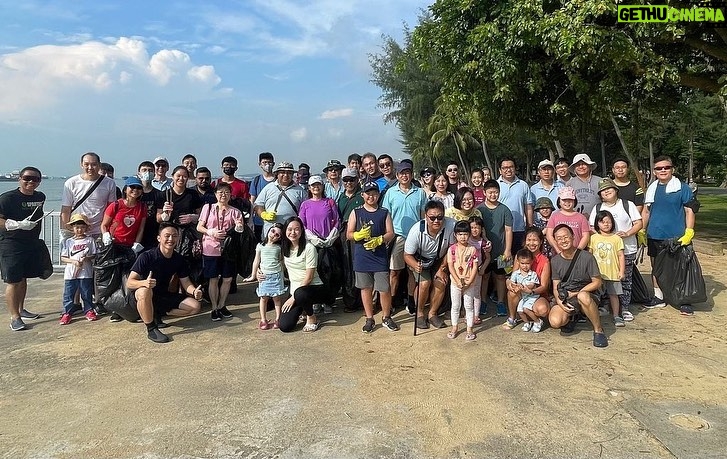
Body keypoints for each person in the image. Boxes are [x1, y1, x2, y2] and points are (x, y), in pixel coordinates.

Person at [126, 223, 204, 343]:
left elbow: (186, 282)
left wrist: (194, 291)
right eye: (167, 236)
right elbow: (130, 282)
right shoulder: (146, 256)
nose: (170, 239)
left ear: (178, 238)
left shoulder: (179, 259)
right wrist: (144, 283)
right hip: (140, 296)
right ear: (159, 238)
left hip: (162, 295)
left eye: (174, 236)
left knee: (195, 307)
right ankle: (151, 328)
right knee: (144, 291)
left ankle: (158, 313)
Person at [641, 155, 698, 315]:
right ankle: (659, 297)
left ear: (672, 169)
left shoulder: (682, 188)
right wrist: (641, 230)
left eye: (666, 167)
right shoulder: (651, 189)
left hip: (677, 236)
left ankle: (683, 299)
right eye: (659, 168)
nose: (663, 170)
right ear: (654, 171)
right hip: (654, 235)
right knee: (656, 268)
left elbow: (689, 210)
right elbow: (646, 211)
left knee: (680, 268)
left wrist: (689, 231)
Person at [0, 166, 53, 330]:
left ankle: (21, 310)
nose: (31, 182)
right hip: (11, 243)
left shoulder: (40, 196)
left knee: (23, 278)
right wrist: (14, 224)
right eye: (27, 178)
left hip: (31, 242)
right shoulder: (7, 198)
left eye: (35, 179)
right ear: (19, 178)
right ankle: (14, 317)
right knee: (13, 280)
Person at [588, 178, 642, 321]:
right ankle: (605, 305)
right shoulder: (598, 208)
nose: (606, 191)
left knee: (624, 279)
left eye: (609, 188)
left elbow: (638, 223)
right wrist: (605, 237)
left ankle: (624, 308)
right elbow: (592, 227)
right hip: (603, 252)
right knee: (604, 278)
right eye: (603, 190)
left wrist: (627, 233)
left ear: (616, 190)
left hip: (627, 248)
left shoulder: (627, 205)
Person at [347, 181, 399, 333]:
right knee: (366, 288)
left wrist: (380, 239)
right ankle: (369, 318)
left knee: (384, 288)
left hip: (379, 254)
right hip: (362, 256)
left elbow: (391, 232)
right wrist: (357, 235)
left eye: (374, 193)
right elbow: (348, 234)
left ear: (378, 195)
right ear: (362, 195)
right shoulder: (356, 212)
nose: (371, 196)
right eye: (368, 193)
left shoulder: (384, 212)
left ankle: (386, 317)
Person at [548, 224, 608, 348]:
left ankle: (598, 330)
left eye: (566, 237)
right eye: (559, 238)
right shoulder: (554, 261)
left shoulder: (587, 257)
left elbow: (597, 282)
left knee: (583, 296)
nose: (563, 240)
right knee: (555, 321)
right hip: (567, 294)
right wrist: (560, 302)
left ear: (573, 237)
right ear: (555, 241)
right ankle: (573, 317)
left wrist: (576, 293)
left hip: (587, 293)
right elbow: (556, 286)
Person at [381, 162, 428, 312]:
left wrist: (423, 236)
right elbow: (386, 215)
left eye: (407, 172)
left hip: (415, 237)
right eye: (401, 173)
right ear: (397, 175)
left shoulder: (420, 193)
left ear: (412, 174)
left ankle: (411, 300)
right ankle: (392, 301)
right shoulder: (390, 193)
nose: (404, 175)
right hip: (397, 236)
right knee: (394, 271)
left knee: (412, 271)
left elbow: (423, 217)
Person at [197, 182, 246, 321]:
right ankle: (214, 307)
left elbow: (240, 231)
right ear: (215, 194)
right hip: (210, 247)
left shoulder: (235, 211)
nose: (223, 195)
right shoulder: (208, 207)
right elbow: (199, 227)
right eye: (220, 192)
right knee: (213, 279)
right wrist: (210, 231)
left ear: (230, 195)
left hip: (228, 249)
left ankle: (222, 305)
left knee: (227, 278)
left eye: (226, 192)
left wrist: (239, 226)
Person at [403, 200, 456, 330]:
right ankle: (420, 313)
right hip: (421, 258)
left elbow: (452, 249)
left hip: (441, 258)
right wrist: (415, 265)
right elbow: (407, 255)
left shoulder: (451, 225)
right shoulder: (416, 230)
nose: (436, 221)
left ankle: (432, 313)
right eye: (432, 218)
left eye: (440, 217)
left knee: (441, 281)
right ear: (425, 216)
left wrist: (442, 268)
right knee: (424, 283)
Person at [276, 217, 326, 333]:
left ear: (302, 231)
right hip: (296, 291)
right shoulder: (284, 248)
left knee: (300, 293)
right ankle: (303, 309)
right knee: (285, 326)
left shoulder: (309, 248)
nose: (293, 233)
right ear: (285, 231)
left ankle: (312, 317)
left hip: (313, 287)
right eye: (289, 229)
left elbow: (308, 278)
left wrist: (293, 298)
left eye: (296, 229)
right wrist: (259, 272)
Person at [299, 175, 340, 314]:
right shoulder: (305, 204)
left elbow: (337, 221)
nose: (316, 187)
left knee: (329, 274)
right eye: (313, 185)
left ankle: (328, 301)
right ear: (309, 188)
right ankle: (315, 301)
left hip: (328, 244)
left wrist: (330, 237)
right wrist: (311, 238)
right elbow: (302, 224)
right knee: (314, 274)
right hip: (312, 245)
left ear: (323, 186)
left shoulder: (330, 202)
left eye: (318, 185)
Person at [476, 179, 513, 319]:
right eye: (490, 192)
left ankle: (501, 302)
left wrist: (508, 250)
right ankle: (483, 301)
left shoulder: (505, 210)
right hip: (484, 252)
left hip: (501, 251)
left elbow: (508, 230)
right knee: (484, 277)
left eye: (496, 192)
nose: (493, 195)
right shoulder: (479, 210)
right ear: (484, 192)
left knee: (501, 277)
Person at [60, 152, 118, 240]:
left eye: (94, 164)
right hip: (77, 230)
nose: (90, 168)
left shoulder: (109, 183)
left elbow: (111, 208)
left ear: (99, 165)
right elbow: (66, 209)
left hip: (99, 231)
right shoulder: (71, 183)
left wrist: (107, 231)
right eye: (86, 164)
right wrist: (66, 231)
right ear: (81, 165)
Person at [243, 224, 286, 330]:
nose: (273, 235)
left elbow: (282, 261)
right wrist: (253, 275)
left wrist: (283, 274)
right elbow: (256, 260)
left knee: (277, 299)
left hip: (276, 275)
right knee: (263, 298)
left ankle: (278, 319)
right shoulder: (260, 246)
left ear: (279, 238)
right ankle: (263, 319)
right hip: (264, 276)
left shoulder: (279, 247)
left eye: (277, 234)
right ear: (268, 231)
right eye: (272, 231)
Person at [508, 227, 552, 331]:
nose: (532, 243)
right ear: (525, 241)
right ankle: (512, 317)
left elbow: (544, 286)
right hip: (520, 292)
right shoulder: (519, 255)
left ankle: (531, 317)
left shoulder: (545, 261)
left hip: (536, 294)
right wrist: (510, 283)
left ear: (541, 242)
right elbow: (513, 276)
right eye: (529, 240)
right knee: (512, 292)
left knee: (542, 310)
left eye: (535, 240)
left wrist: (531, 291)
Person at [589, 210, 626, 327]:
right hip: (596, 274)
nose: (606, 224)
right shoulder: (593, 238)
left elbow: (621, 256)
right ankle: (590, 314)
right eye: (602, 222)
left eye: (608, 222)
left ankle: (616, 315)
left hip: (613, 273)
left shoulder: (617, 238)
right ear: (597, 223)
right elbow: (589, 255)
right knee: (593, 295)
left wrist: (621, 271)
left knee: (614, 295)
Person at [59, 214, 98, 324]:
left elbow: (94, 255)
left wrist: (86, 258)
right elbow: (63, 258)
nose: (79, 230)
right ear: (72, 228)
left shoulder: (90, 240)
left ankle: (89, 310)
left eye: (82, 227)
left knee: (86, 292)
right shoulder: (68, 241)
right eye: (77, 227)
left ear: (86, 228)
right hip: (71, 273)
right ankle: (67, 313)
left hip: (86, 272)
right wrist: (74, 262)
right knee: (69, 294)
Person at [446, 220, 481, 341]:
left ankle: (469, 329)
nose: (463, 237)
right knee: (455, 306)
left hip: (469, 283)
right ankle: (454, 327)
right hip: (455, 283)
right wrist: (457, 281)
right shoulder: (452, 249)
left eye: (465, 234)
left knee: (468, 306)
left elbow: (475, 267)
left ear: (469, 234)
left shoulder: (473, 249)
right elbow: (450, 266)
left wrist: (470, 281)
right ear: (455, 235)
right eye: (460, 234)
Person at [254, 161, 307, 237]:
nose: (286, 175)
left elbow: (306, 210)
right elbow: (257, 205)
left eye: (289, 173)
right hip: (270, 234)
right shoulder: (268, 188)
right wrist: (263, 214)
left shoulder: (300, 191)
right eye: (282, 172)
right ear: (277, 174)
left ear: (292, 175)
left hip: (291, 235)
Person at [337, 168, 364, 312]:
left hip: (360, 234)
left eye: (352, 179)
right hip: (344, 235)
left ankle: (362, 300)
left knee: (359, 267)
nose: (349, 183)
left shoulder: (363, 194)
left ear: (357, 179)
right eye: (346, 180)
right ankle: (350, 301)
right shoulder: (340, 198)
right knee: (347, 268)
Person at [100, 176, 146, 254]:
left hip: (130, 247)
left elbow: (141, 228)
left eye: (139, 188)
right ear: (125, 189)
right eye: (132, 187)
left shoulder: (142, 207)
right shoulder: (116, 205)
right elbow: (104, 225)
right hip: (114, 244)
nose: (135, 190)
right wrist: (105, 235)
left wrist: (137, 244)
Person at [497, 157, 534, 251]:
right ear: (500, 170)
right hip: (501, 230)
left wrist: (529, 226)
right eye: (504, 168)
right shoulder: (496, 185)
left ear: (515, 168)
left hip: (519, 229)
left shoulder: (523, 185)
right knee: (504, 261)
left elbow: (528, 206)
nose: (508, 170)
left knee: (519, 259)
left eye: (511, 167)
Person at [545, 186, 590, 255]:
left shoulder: (581, 217)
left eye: (570, 200)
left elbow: (585, 236)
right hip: (558, 255)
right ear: (559, 201)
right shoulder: (554, 216)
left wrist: (577, 252)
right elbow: (549, 235)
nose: (567, 202)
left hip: (577, 255)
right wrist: (558, 250)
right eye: (564, 200)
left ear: (574, 201)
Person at [506, 248, 540, 332]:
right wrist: (513, 285)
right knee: (520, 311)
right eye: (522, 263)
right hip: (523, 296)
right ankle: (527, 323)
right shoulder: (515, 273)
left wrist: (523, 286)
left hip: (531, 296)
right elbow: (512, 282)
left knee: (525, 309)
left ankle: (537, 321)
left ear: (532, 262)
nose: (525, 266)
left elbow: (532, 285)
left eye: (527, 263)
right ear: (518, 262)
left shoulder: (533, 274)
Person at [468, 215, 492, 321]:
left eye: (477, 227)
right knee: (467, 293)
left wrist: (483, 269)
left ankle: (476, 315)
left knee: (477, 293)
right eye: (472, 227)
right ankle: (466, 313)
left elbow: (488, 258)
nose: (474, 230)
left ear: (481, 229)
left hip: (477, 271)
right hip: (466, 271)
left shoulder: (483, 243)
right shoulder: (465, 240)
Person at [249, 152, 277, 242]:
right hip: (258, 221)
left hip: (276, 220)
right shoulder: (256, 180)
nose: (267, 165)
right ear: (260, 164)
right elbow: (252, 200)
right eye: (264, 162)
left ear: (273, 164)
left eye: (269, 162)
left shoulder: (278, 180)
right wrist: (250, 220)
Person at [136, 161, 161, 250]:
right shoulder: (134, 193)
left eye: (150, 170)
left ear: (154, 174)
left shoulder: (159, 194)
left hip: (152, 234)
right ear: (139, 174)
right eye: (144, 170)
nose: (147, 173)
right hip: (134, 234)